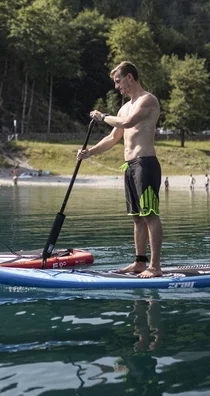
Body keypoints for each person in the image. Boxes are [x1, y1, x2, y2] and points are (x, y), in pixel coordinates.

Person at [77, 61, 164, 278]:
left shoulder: (148, 100)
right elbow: (113, 137)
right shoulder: (124, 106)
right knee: (137, 217)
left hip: (146, 164)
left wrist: (102, 117)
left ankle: (155, 266)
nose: (117, 87)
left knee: (150, 215)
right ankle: (139, 263)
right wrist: (90, 152)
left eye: (118, 81)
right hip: (130, 166)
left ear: (130, 78)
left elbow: (127, 123)